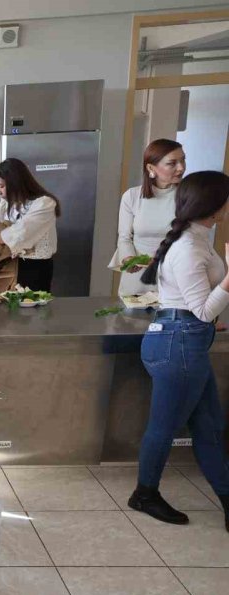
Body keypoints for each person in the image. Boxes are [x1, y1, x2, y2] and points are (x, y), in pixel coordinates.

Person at [129, 171, 229, 531]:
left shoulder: (197, 239)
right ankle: (144, 493)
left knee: (211, 427)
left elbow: (193, 306)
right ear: (215, 207)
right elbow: (202, 308)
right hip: (178, 344)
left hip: (184, 337)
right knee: (165, 427)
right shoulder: (188, 246)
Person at [109, 139, 186, 295]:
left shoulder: (187, 196)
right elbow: (124, 237)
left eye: (183, 160)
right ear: (151, 168)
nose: (181, 168)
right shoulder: (132, 196)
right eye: (172, 163)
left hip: (174, 276)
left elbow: (190, 239)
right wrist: (128, 258)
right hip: (137, 277)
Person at [0, 158, 60, 292]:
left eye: (1, 186)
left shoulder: (45, 203)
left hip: (34, 268)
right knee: (5, 308)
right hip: (8, 264)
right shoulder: (7, 203)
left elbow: (23, 231)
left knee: (32, 308)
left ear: (16, 183)